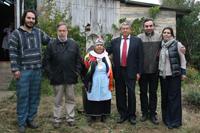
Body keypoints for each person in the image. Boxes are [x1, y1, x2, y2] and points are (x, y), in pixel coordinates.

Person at [8, 10, 50, 133]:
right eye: (29, 18)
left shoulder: (38, 32)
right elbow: (12, 52)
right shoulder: (16, 34)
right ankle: (21, 122)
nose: (31, 20)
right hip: (23, 71)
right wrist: (15, 69)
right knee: (23, 97)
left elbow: (50, 41)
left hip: (37, 70)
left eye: (33, 18)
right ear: (24, 18)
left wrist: (64, 40)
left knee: (35, 97)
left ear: (35, 20)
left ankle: (31, 119)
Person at [43, 22, 81, 128]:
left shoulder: (74, 44)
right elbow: (46, 61)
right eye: (60, 30)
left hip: (71, 77)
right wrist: (51, 74)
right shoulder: (51, 45)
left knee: (70, 99)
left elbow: (79, 60)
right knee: (57, 100)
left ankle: (70, 118)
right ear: (57, 32)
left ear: (67, 31)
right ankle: (57, 119)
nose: (62, 32)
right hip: (57, 78)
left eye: (64, 30)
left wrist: (77, 72)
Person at [107, 21, 143, 125]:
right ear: (120, 30)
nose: (125, 30)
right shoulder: (115, 41)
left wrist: (139, 72)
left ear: (130, 29)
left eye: (127, 28)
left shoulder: (137, 41)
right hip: (118, 71)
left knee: (131, 93)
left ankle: (132, 115)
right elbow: (105, 52)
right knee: (120, 93)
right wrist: (94, 53)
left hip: (131, 71)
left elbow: (140, 58)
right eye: (123, 28)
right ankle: (123, 114)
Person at [159, 27, 186, 129]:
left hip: (174, 75)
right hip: (163, 76)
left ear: (172, 35)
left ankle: (174, 121)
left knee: (173, 99)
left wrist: (183, 73)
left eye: (168, 33)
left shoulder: (177, 44)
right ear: (162, 34)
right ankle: (166, 119)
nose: (166, 34)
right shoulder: (161, 45)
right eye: (164, 33)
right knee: (165, 98)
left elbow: (183, 60)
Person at [83, 37, 113, 123]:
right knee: (93, 96)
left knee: (104, 96)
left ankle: (104, 115)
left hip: (105, 80)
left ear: (103, 46)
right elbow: (85, 68)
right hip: (94, 79)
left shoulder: (107, 56)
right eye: (97, 45)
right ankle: (93, 115)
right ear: (94, 46)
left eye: (101, 45)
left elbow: (111, 68)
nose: (99, 47)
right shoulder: (89, 56)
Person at [137, 18, 161, 124]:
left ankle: (152, 114)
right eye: (146, 26)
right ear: (143, 27)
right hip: (142, 71)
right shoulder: (139, 38)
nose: (148, 28)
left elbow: (171, 41)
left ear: (153, 26)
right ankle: (144, 113)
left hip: (155, 70)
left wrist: (181, 47)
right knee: (143, 93)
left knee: (153, 93)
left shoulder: (159, 36)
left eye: (150, 26)